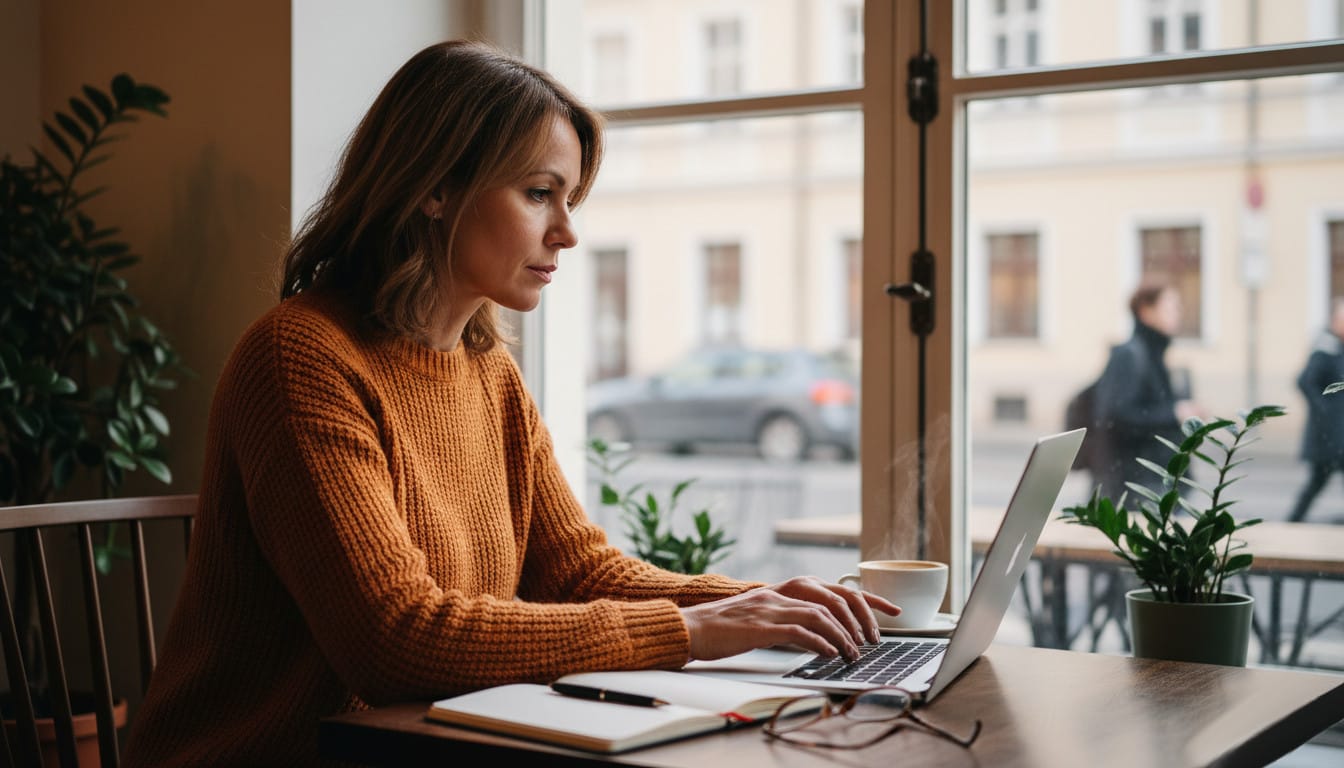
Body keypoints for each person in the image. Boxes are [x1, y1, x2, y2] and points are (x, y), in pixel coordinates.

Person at [121, 40, 898, 766]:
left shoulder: (486, 371)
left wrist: (776, 608)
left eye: (570, 200)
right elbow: (395, 641)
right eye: (539, 194)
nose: (567, 233)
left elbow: (576, 571)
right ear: (433, 187)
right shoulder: (301, 359)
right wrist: (691, 629)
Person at [1091, 282, 1203, 500]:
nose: (1178, 314)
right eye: (1170, 307)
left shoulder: (1155, 353)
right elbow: (1117, 415)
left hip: (1158, 477)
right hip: (1137, 483)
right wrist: (1175, 413)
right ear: (1146, 311)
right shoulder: (1129, 356)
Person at [1287, 297, 1344, 523]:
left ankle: (1293, 521)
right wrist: (1326, 409)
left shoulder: (1338, 348)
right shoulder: (1325, 349)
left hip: (1338, 437)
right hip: (1328, 437)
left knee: (1316, 483)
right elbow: (1305, 381)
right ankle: (1292, 522)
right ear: (1334, 320)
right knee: (1316, 483)